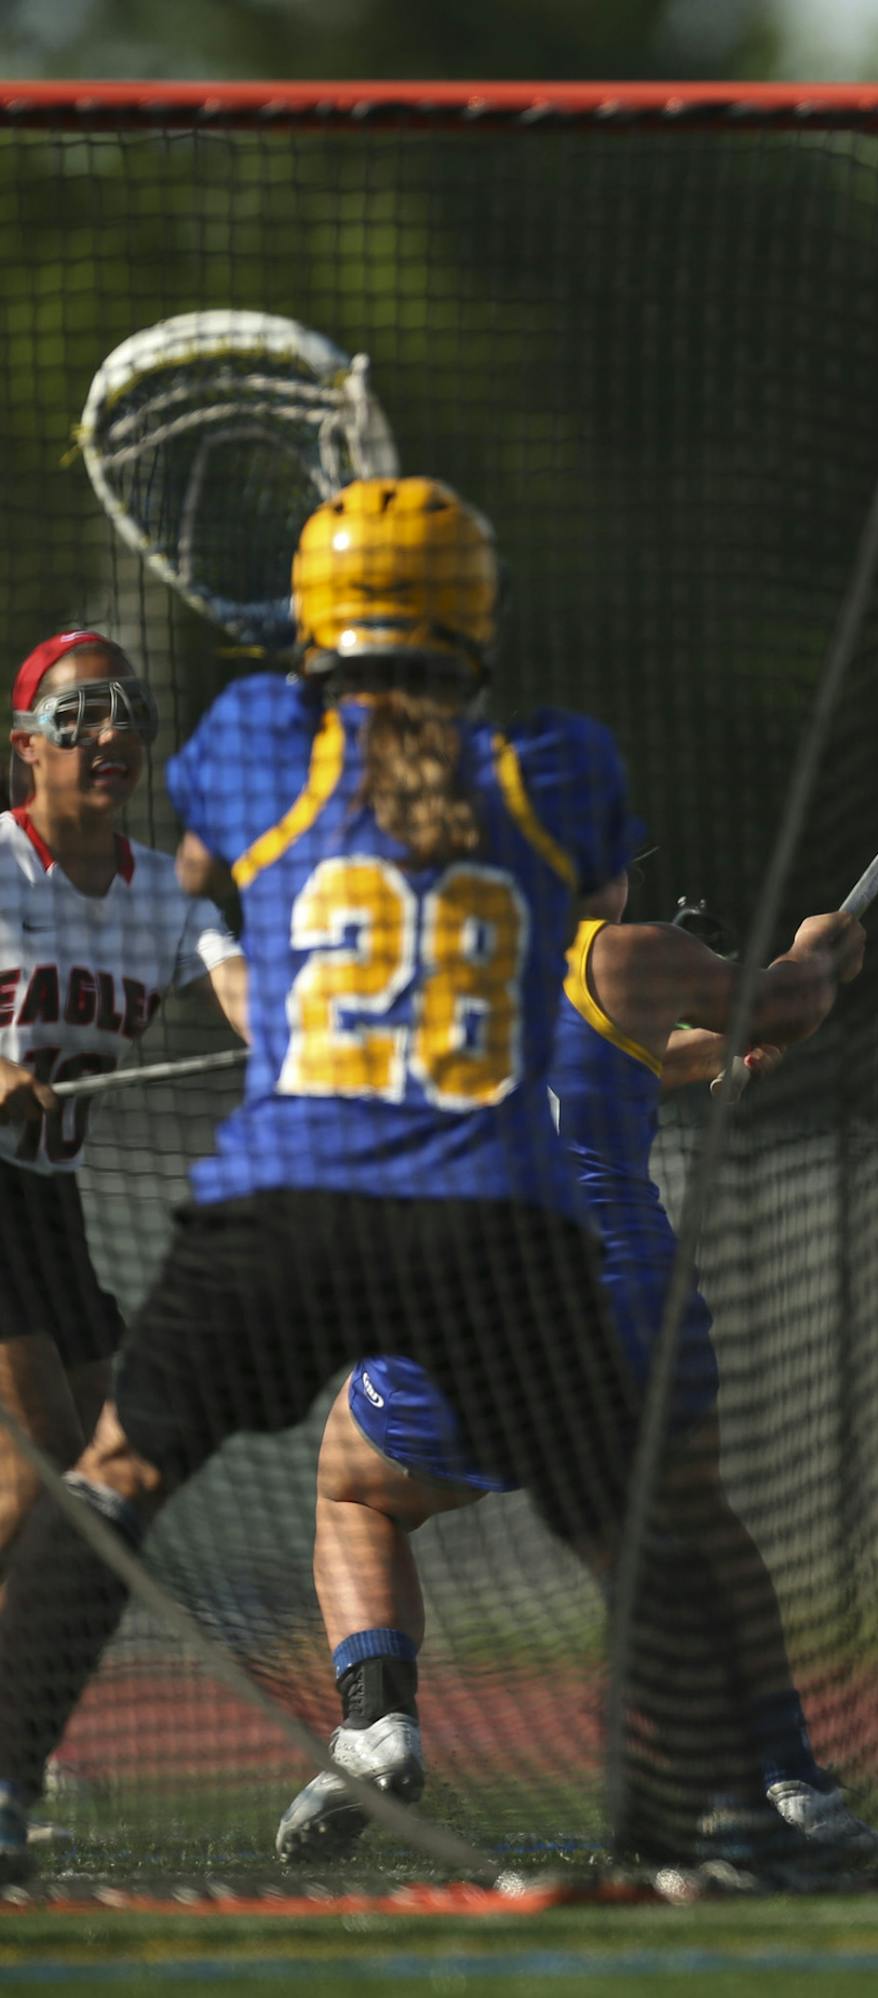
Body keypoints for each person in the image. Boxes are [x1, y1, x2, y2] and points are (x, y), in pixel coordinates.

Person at [0, 476, 805, 1881]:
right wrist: (811, 971)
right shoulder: (560, 765)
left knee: (114, 1477)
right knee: (630, 1510)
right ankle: (732, 1803)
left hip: (289, 1199)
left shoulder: (256, 736)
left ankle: (7, 1785)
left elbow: (200, 859)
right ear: (473, 618)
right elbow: (568, 940)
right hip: (489, 1213)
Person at [275, 881, 872, 1866]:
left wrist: (700, 1052)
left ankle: (375, 1724)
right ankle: (783, 1776)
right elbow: (788, 1002)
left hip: (455, 1309)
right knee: (682, 1531)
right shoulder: (623, 957)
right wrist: (822, 948)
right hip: (621, 1305)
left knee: (355, 1489)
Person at [0, 630, 247, 1590]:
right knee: (44, 1476)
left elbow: (248, 998)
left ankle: (27, 1731)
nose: (111, 732)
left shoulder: (167, 901)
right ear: (26, 743)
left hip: (52, 1214)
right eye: (78, 716)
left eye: (129, 712)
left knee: (104, 1475)